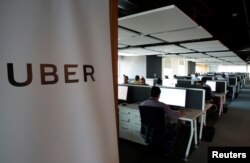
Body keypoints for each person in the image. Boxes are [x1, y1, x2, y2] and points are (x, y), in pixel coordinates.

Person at [140, 86, 184, 155]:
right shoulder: (162, 106)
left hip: (148, 128)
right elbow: (173, 117)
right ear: (159, 95)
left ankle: (156, 145)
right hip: (161, 129)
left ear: (150, 93)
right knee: (177, 125)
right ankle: (169, 149)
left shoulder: (142, 104)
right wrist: (180, 113)